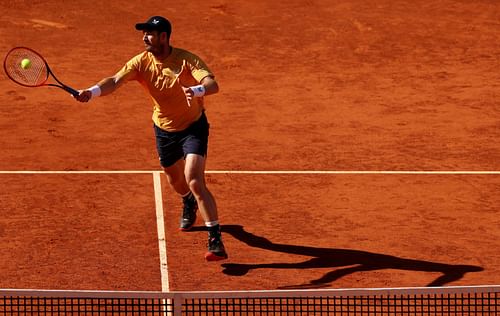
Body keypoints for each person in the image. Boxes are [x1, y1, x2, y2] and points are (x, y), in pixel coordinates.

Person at [74, 16, 227, 261]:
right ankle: (187, 201)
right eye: (144, 33)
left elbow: (212, 84)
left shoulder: (186, 59)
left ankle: (215, 237)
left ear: (164, 37)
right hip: (164, 129)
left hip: (193, 127)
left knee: (194, 179)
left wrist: (196, 89)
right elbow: (114, 81)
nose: (144, 37)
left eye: (150, 33)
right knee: (176, 181)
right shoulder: (141, 62)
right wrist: (91, 92)